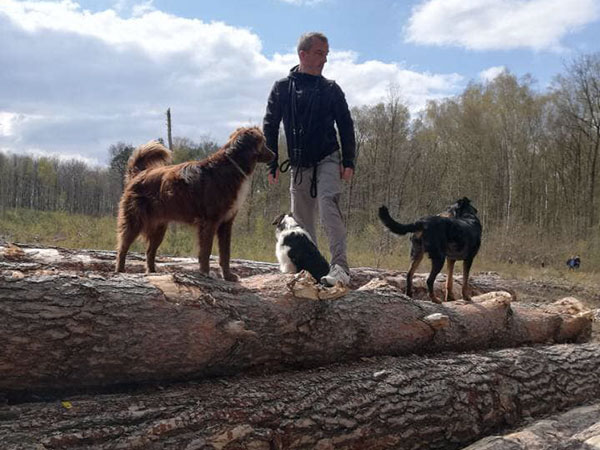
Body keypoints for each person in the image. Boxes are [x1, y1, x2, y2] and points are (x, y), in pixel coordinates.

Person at [263, 32, 356, 287]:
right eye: (319, 53)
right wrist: (272, 162)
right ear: (302, 54)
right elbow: (270, 125)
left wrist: (349, 160)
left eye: (326, 54)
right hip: (299, 163)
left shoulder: (331, 89)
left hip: (328, 157)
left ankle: (340, 268)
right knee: (302, 222)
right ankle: (313, 272)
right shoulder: (282, 88)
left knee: (328, 205)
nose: (324, 59)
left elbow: (346, 125)